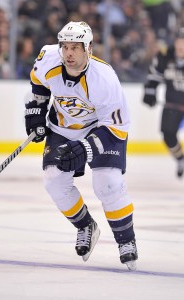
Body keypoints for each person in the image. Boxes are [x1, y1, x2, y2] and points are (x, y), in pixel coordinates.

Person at [24, 21, 138, 270]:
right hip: (63, 128)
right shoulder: (48, 58)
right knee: (53, 179)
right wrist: (35, 112)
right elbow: (38, 83)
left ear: (89, 49)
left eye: (76, 47)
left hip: (101, 129)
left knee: (107, 183)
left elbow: (117, 126)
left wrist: (86, 148)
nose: (69, 53)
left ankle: (126, 241)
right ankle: (86, 225)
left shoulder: (104, 79)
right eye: (65, 46)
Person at [143, 27, 184, 178]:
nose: (181, 46)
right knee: (168, 135)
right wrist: (150, 91)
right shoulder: (165, 55)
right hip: (173, 103)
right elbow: (154, 76)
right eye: (179, 42)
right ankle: (180, 159)